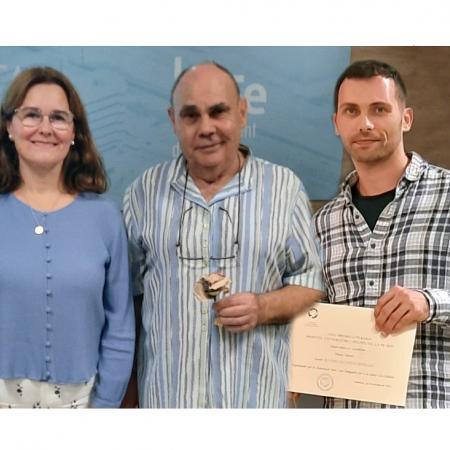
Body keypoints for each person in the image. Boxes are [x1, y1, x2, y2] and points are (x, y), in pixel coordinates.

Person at [122, 61, 324, 408]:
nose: (206, 128)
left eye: (218, 112)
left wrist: (263, 307)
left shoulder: (284, 189)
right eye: (191, 116)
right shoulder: (143, 193)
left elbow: (310, 282)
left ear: (242, 112)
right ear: (173, 120)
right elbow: (127, 298)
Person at [314, 59, 450, 408]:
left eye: (379, 109)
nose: (365, 123)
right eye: (352, 111)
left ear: (406, 118)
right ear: (336, 123)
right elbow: (311, 322)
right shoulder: (323, 223)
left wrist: (430, 303)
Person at [0, 66, 135, 408]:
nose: (45, 128)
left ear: (74, 131)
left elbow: (120, 326)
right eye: (31, 115)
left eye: (58, 118)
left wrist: (104, 407)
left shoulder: (105, 218)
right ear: (9, 126)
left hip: (82, 405)